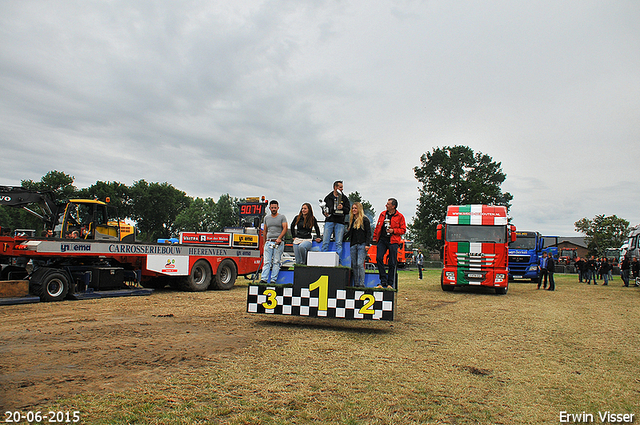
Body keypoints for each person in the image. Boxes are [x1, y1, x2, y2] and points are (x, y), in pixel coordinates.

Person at [372, 198, 406, 289]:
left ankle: (390, 283)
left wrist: (393, 230)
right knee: (378, 258)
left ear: (393, 206)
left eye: (388, 204)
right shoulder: (383, 214)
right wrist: (375, 237)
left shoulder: (400, 216)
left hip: (393, 241)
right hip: (382, 240)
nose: (386, 205)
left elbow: (403, 230)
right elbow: (378, 227)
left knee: (392, 262)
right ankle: (383, 281)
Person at [321, 181, 350, 263]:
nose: (342, 189)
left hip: (340, 222)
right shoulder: (328, 197)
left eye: (342, 187)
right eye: (340, 187)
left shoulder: (344, 198)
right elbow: (324, 209)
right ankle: (323, 261)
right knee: (325, 242)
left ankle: (338, 261)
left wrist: (342, 208)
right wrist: (325, 213)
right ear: (335, 187)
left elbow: (348, 210)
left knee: (339, 243)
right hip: (329, 221)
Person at [260, 200, 288, 284]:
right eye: (272, 208)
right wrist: (265, 242)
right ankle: (264, 279)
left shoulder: (282, 217)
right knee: (267, 261)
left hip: (278, 242)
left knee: (276, 261)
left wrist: (279, 238)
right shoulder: (266, 218)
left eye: (275, 208)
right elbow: (265, 230)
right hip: (269, 241)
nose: (273, 209)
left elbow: (285, 228)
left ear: (278, 208)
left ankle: (273, 279)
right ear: (269, 208)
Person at [345, 202, 371, 287]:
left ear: (359, 209)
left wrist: (367, 244)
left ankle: (362, 283)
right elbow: (350, 233)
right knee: (354, 265)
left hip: (362, 244)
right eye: (353, 208)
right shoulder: (352, 220)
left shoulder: (365, 219)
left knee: (360, 264)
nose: (354, 210)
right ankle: (356, 283)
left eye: (355, 208)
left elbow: (368, 233)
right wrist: (343, 238)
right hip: (353, 244)